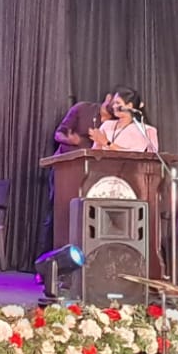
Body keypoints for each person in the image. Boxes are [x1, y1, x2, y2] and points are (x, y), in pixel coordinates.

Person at [40, 93, 114, 253]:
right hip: (64, 171)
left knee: (87, 217)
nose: (115, 106)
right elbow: (58, 134)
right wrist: (71, 140)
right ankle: (47, 260)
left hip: (94, 175)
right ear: (108, 97)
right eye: (114, 101)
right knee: (58, 214)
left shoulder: (115, 124)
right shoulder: (82, 109)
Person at [90, 86, 159, 152]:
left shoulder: (145, 130)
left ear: (129, 106)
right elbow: (95, 153)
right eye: (113, 103)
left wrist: (106, 143)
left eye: (117, 103)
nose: (114, 106)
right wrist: (99, 143)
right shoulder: (106, 125)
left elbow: (133, 155)